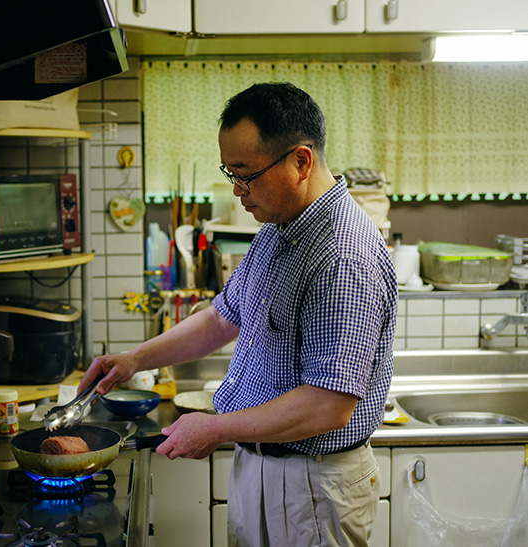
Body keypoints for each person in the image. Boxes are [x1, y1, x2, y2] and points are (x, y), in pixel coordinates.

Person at [80, 82, 398, 546]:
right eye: (230, 171)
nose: (237, 189)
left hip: (313, 486)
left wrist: (215, 427)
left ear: (301, 162)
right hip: (264, 469)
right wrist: (134, 359)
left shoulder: (342, 256)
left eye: (246, 173)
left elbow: (329, 405)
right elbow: (221, 318)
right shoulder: (280, 225)